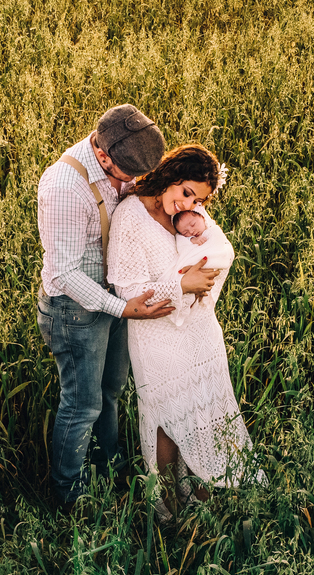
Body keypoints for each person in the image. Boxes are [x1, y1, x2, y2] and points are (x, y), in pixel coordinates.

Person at [36, 105, 214, 510]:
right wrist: (120, 308)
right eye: (127, 176)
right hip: (74, 310)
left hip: (117, 299)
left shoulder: (128, 157)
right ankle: (70, 496)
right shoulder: (65, 186)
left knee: (110, 393)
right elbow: (63, 273)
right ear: (103, 156)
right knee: (82, 405)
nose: (134, 183)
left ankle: (107, 473)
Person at [106, 145, 263, 521]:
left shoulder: (189, 214)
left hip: (199, 330)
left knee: (205, 415)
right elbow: (127, 292)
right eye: (187, 192)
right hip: (155, 337)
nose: (190, 205)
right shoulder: (131, 216)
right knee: (165, 420)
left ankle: (202, 504)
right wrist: (181, 285)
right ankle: (168, 510)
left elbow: (218, 249)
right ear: (172, 175)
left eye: (199, 200)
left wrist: (200, 277)